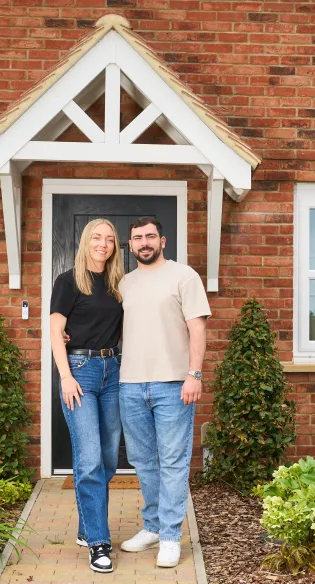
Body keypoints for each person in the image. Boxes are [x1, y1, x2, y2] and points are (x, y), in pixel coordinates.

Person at [117, 216, 210, 568]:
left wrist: (194, 374)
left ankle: (171, 536)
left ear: (163, 241)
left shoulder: (184, 276)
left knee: (173, 462)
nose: (144, 242)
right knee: (143, 461)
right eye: (137, 238)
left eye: (150, 236)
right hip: (130, 385)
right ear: (131, 244)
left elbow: (197, 328)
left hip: (174, 384)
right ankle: (153, 526)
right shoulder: (124, 283)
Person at [49, 218, 124, 574]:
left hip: (114, 372)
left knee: (108, 460)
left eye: (109, 239)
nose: (103, 244)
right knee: (90, 457)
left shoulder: (118, 284)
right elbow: (55, 330)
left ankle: (85, 527)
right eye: (97, 237)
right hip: (79, 372)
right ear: (85, 241)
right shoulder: (67, 280)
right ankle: (98, 541)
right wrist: (65, 376)